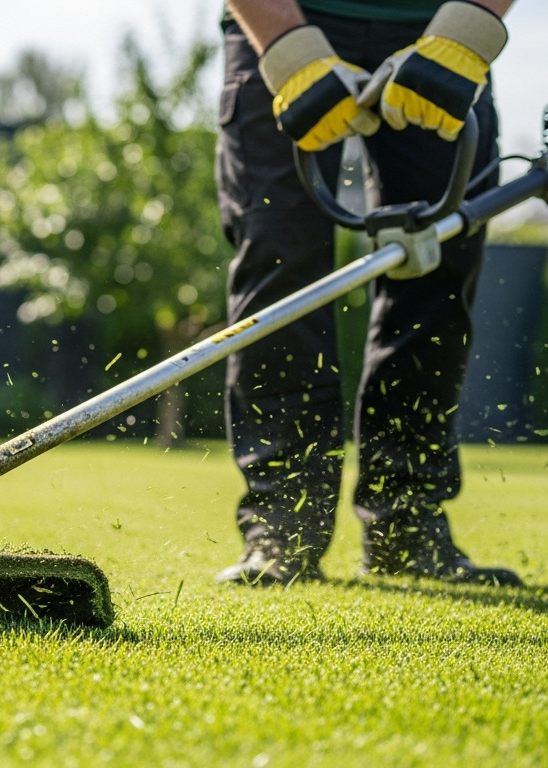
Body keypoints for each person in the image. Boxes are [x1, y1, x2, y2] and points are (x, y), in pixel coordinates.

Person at [214, 0, 523, 587]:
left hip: (438, 27)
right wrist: (288, 48)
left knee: (436, 265)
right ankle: (283, 528)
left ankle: (406, 528)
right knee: (279, 270)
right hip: (279, 23)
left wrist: (469, 26)